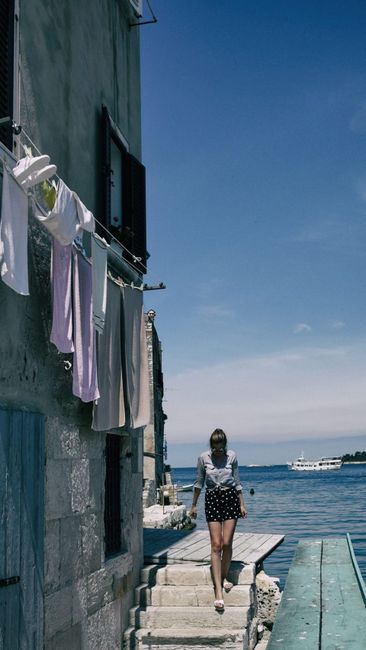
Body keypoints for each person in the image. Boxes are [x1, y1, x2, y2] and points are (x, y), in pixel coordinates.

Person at [189, 428, 247, 610]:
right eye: (215, 448)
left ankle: (224, 576)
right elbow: (198, 482)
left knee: (227, 543)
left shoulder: (232, 457)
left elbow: (237, 482)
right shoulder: (203, 458)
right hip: (212, 498)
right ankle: (218, 592)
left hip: (230, 498)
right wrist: (193, 505)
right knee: (216, 544)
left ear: (225, 445)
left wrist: (242, 504)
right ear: (211, 446)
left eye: (221, 448)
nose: (218, 451)